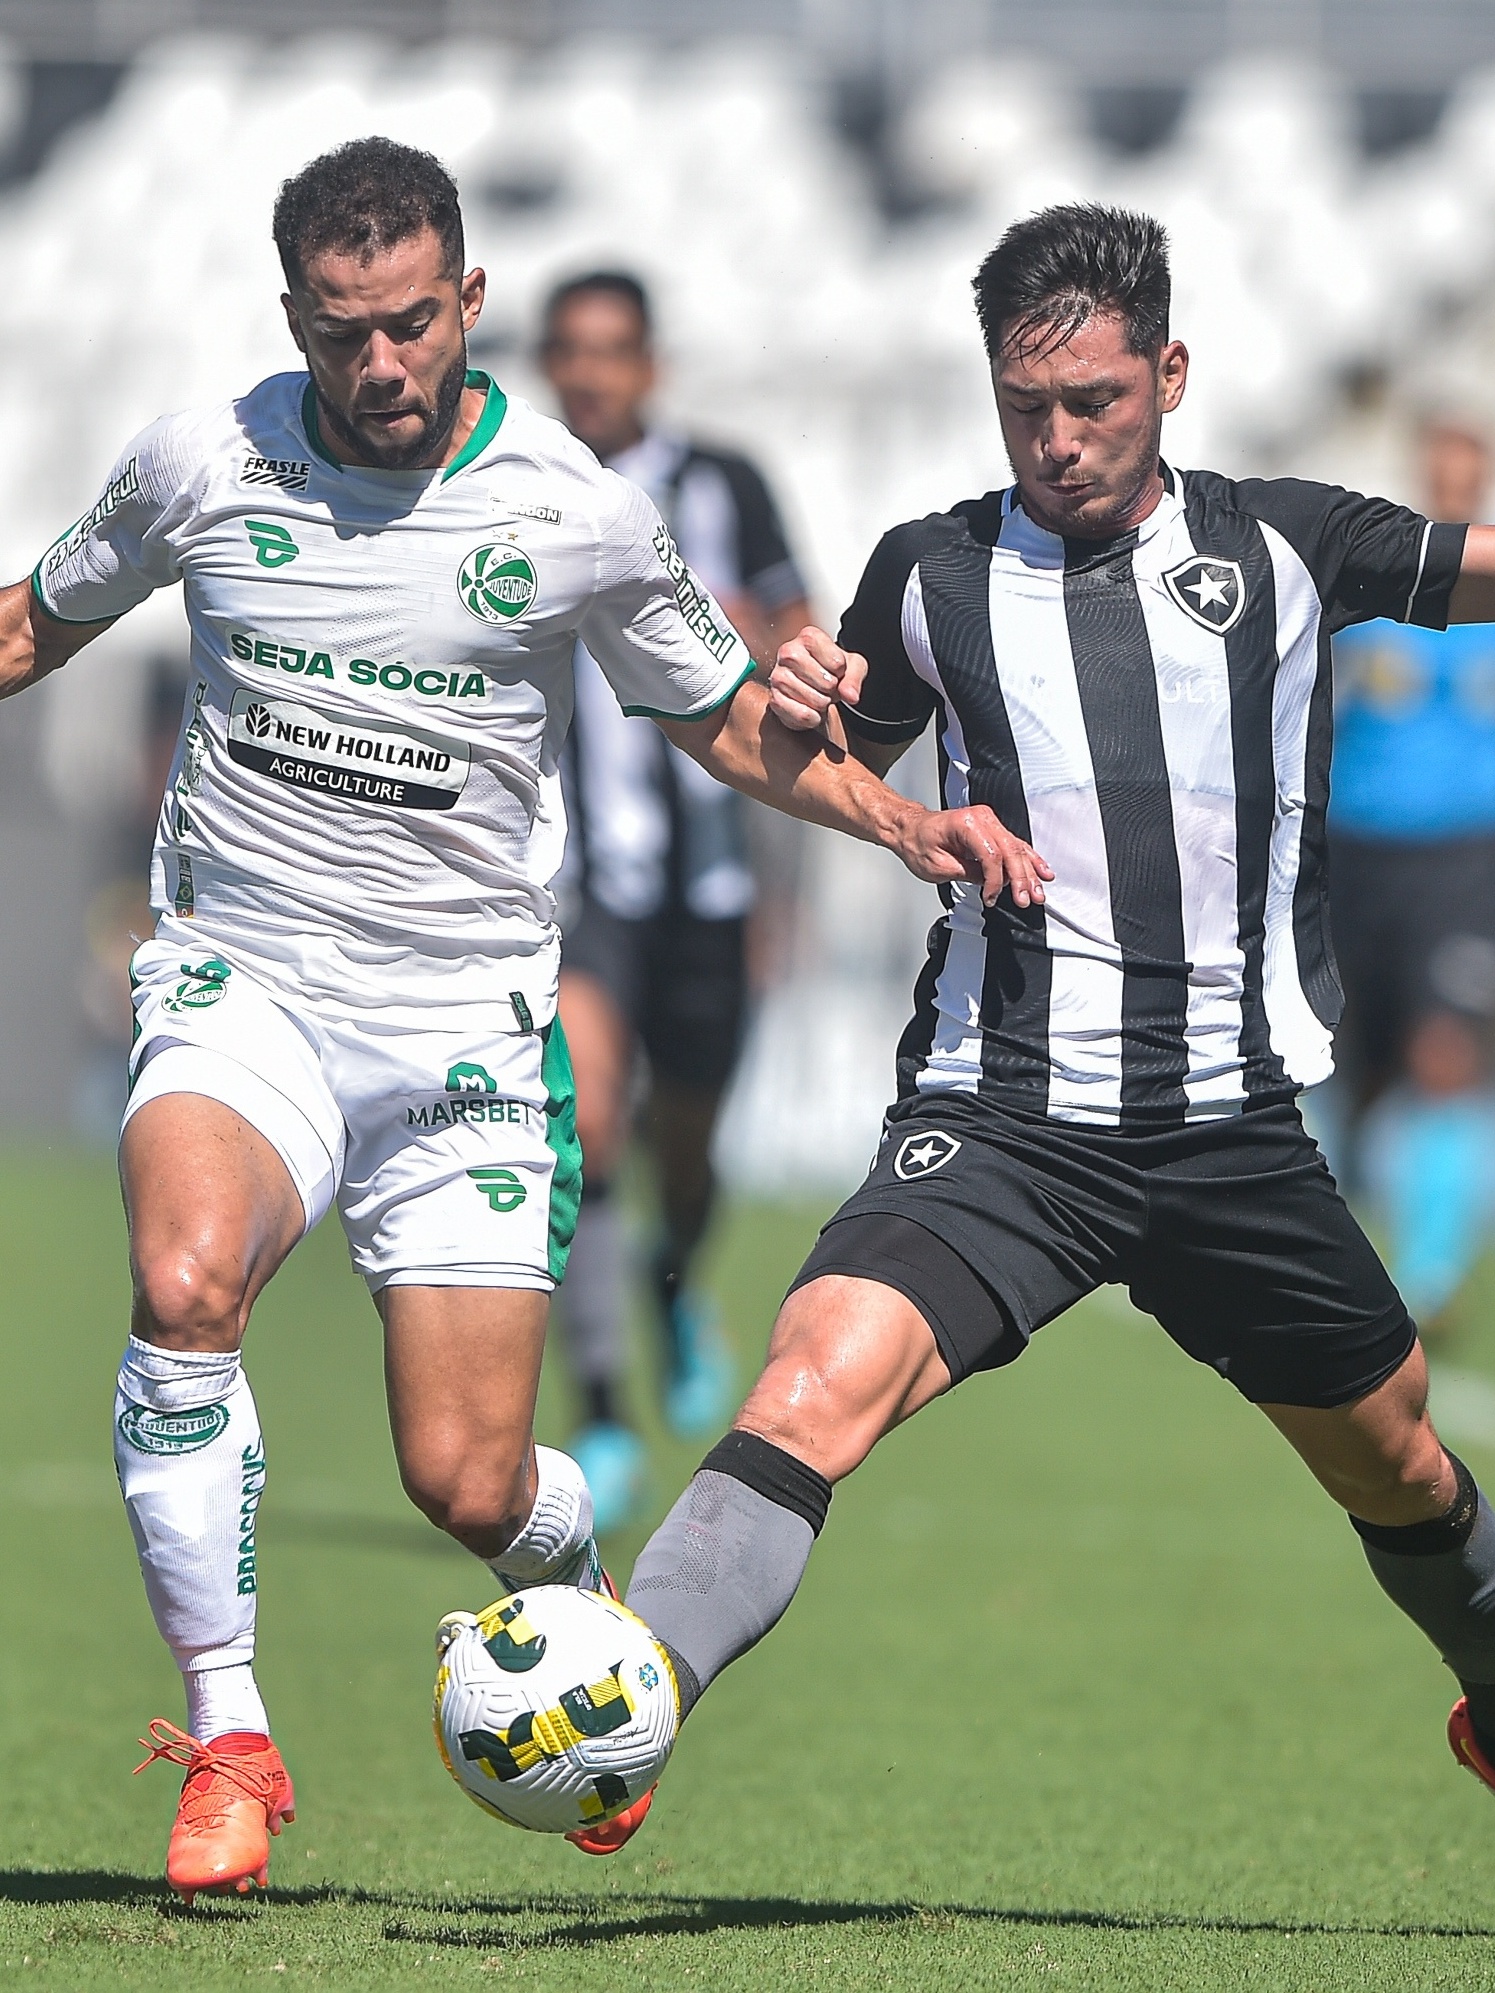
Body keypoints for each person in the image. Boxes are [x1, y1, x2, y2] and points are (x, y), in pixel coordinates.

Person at [0, 137, 1037, 1900]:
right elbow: (38, 618)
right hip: (243, 976)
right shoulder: (203, 461)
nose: (382, 365)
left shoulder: (573, 508)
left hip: (465, 1026)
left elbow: (720, 714)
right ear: (294, 321)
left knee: (468, 1477)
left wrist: (902, 817)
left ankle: (579, 1607)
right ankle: (231, 1737)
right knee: (184, 1288)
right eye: (344, 334)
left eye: (413, 324)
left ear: (469, 301)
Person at [618, 203, 1495, 1849]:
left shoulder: (1291, 542)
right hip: (1002, 1116)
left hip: (1233, 1122)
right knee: (812, 1378)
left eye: (1094, 398)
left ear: (1168, 373)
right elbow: (801, 748)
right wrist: (839, 748)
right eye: (1027, 405)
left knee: (1395, 1458)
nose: (1060, 436)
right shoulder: (934, 572)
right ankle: (622, 1701)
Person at [538, 270, 813, 1528]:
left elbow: (804, 641)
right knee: (587, 1126)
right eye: (571, 351)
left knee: (684, 1149)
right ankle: (599, 1408)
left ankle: (674, 1283)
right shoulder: (517, 485)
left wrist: (759, 636)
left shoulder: (724, 484)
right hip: (578, 879)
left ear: (650, 364)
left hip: (707, 883)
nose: (591, 373)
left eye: (613, 351)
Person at [1329, 412, 1495, 1327]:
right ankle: (1343, 1230)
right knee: (1358, 1068)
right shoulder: (1373, 596)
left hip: (1465, 856)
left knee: (1444, 1054)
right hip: (1357, 852)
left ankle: (1427, 1279)